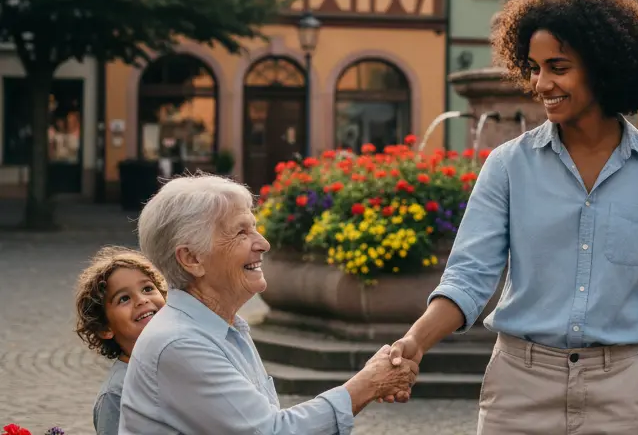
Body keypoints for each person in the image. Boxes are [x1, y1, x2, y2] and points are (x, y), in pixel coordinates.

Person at [386, 0, 638, 434]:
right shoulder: (508, 165)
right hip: (520, 389)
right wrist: (416, 339)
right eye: (534, 67)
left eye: (558, 67)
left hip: (620, 394)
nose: (541, 83)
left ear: (603, 67)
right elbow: (469, 277)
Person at [120, 173, 419, 435]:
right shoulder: (179, 343)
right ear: (192, 259)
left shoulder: (223, 326)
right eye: (241, 232)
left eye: (254, 228)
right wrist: (368, 383)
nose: (263, 243)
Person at [74, 246, 168, 435]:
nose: (141, 300)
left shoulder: (183, 364)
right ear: (105, 328)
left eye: (148, 288)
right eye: (123, 298)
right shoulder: (116, 395)